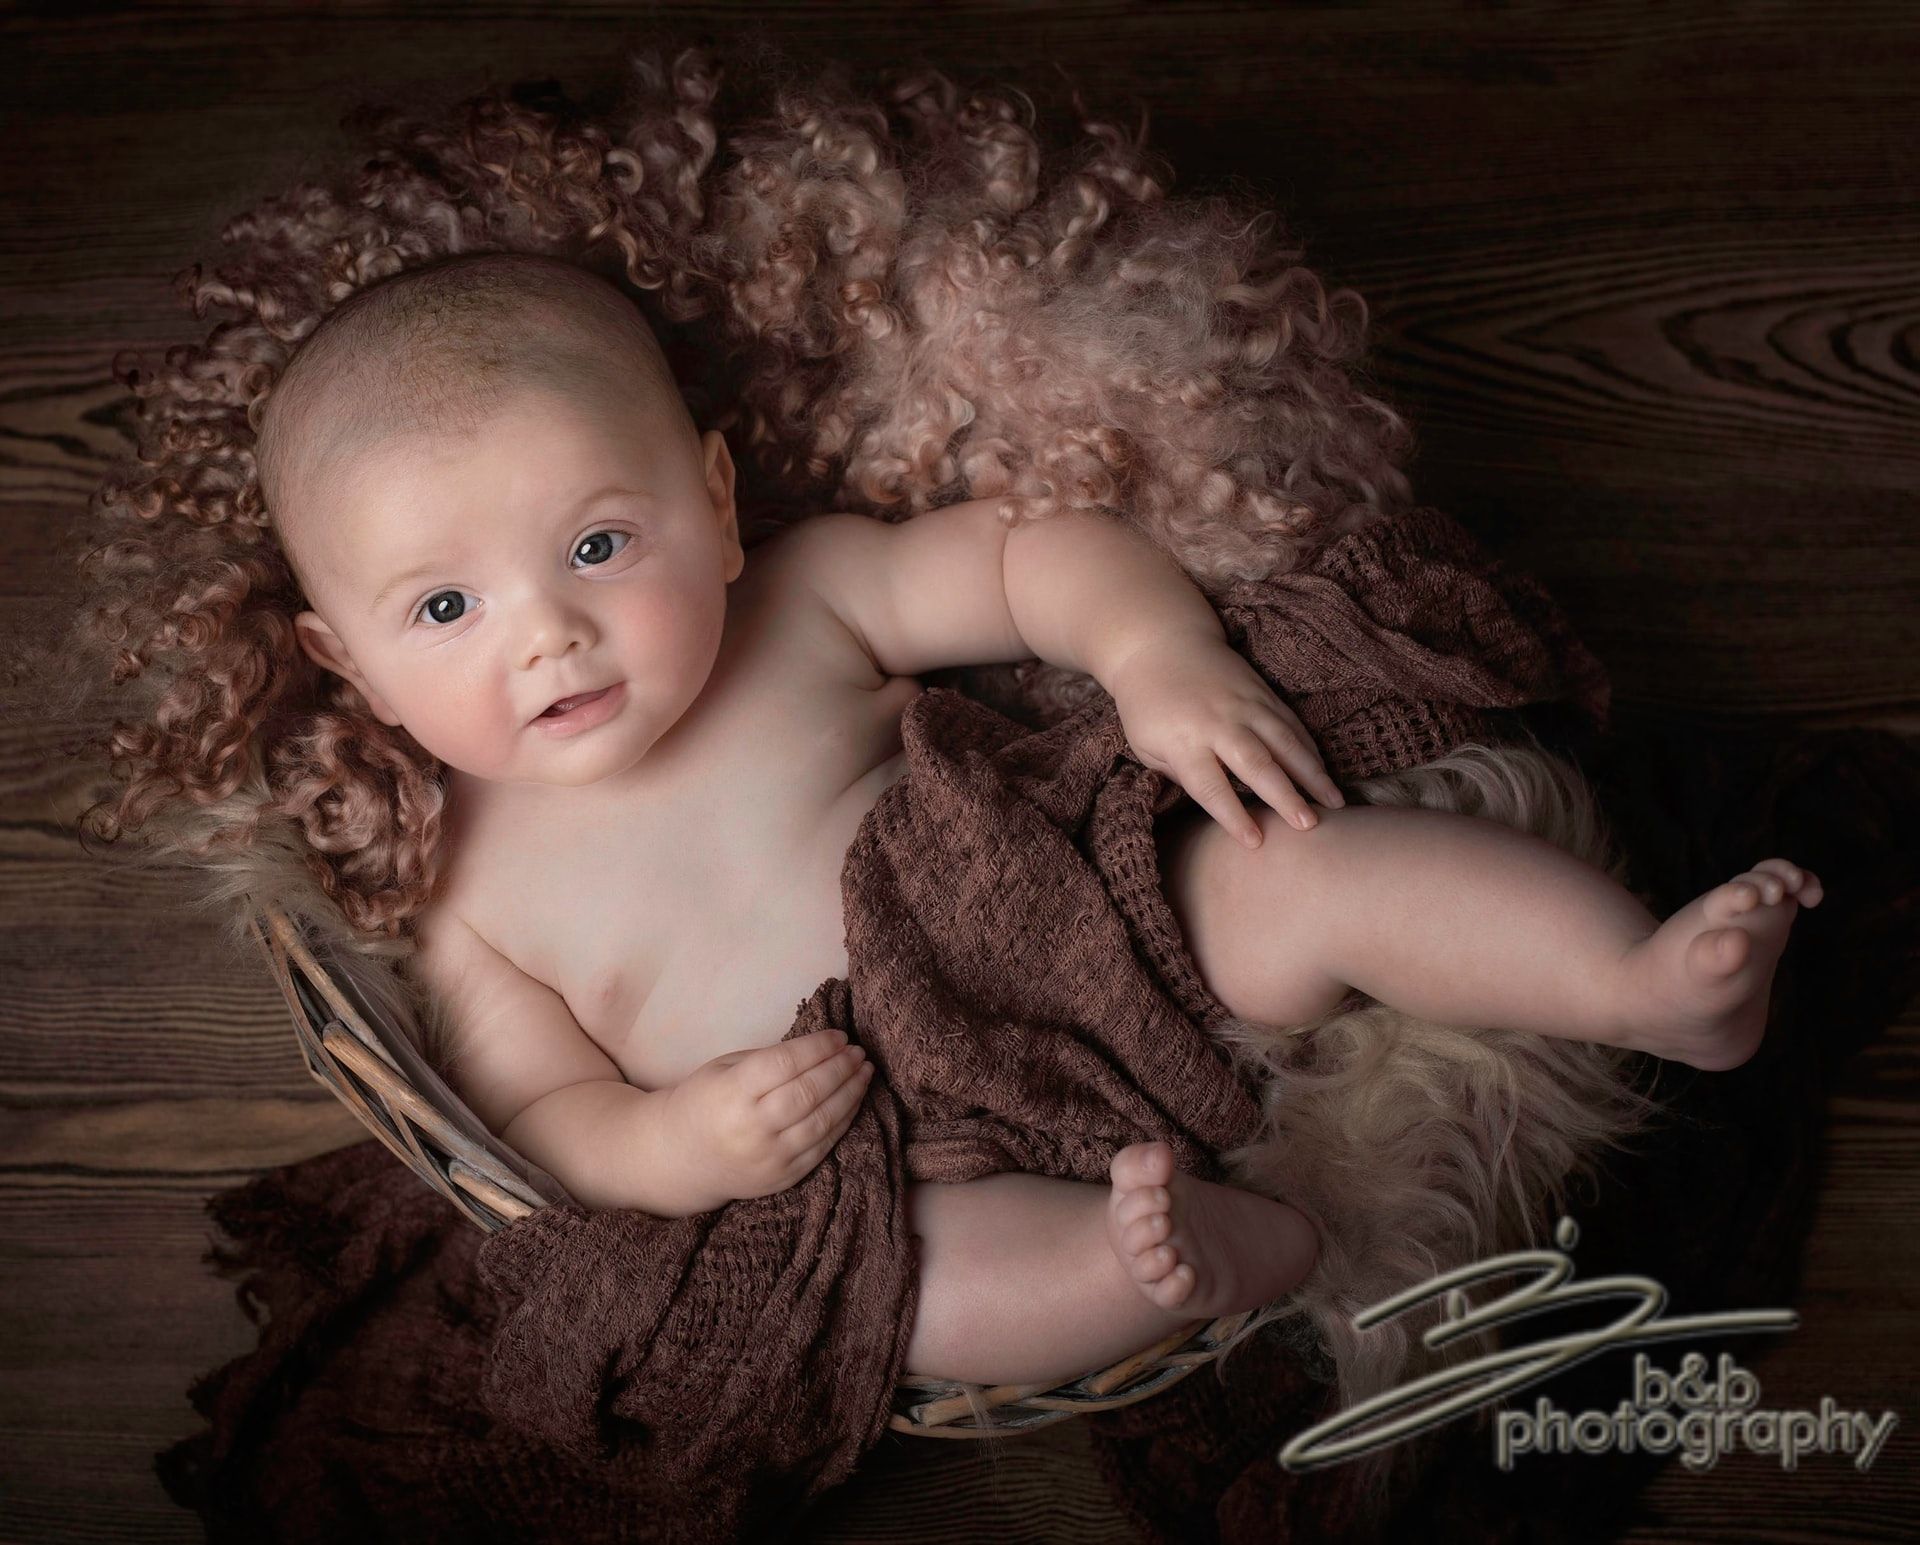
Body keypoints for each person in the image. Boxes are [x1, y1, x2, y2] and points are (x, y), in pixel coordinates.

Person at [252, 250, 1820, 1387]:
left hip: (1088, 921)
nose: (547, 637)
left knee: (1301, 868)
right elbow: (537, 1125)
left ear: (718, 505)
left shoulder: (800, 602)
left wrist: (1158, 659)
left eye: (599, 543)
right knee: (911, 1307)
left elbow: (1022, 553)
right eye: (446, 605)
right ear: (353, 665)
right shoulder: (466, 898)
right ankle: (1214, 1255)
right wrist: (671, 1139)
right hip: (898, 1148)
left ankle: (1642, 985)